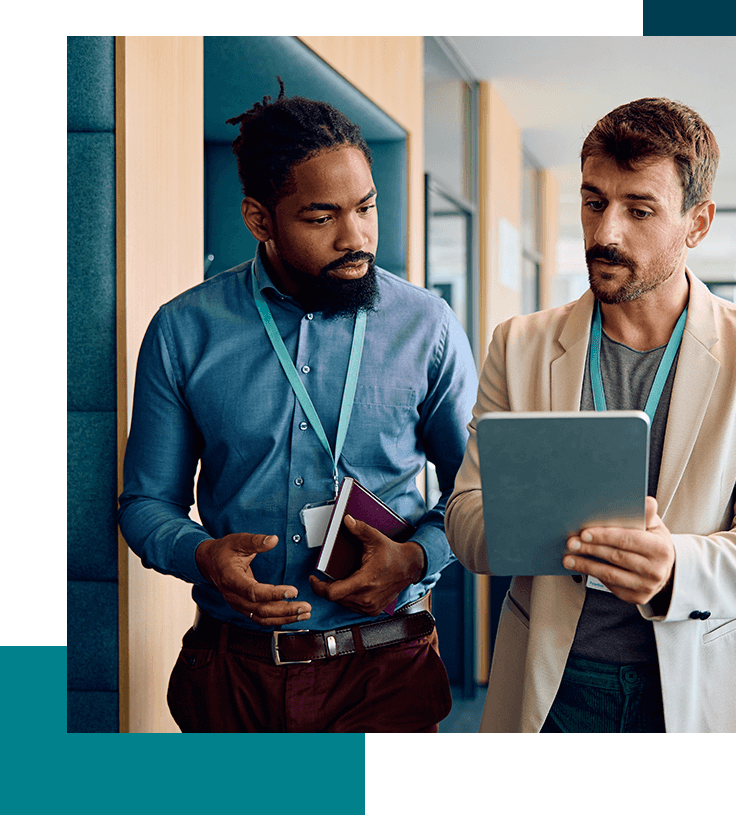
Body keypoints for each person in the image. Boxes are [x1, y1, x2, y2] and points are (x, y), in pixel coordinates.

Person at [445, 98, 736, 733]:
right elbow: (464, 518)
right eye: (594, 202)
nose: (605, 233)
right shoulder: (520, 345)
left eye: (639, 210)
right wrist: (550, 528)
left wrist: (674, 565)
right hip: (552, 682)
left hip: (702, 677)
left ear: (697, 224)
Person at [116, 79, 477, 733]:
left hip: (386, 670)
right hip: (234, 678)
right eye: (322, 217)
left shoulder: (428, 324)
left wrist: (417, 556)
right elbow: (144, 503)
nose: (355, 237)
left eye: (366, 208)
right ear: (260, 219)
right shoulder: (183, 328)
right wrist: (202, 555)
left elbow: (478, 490)